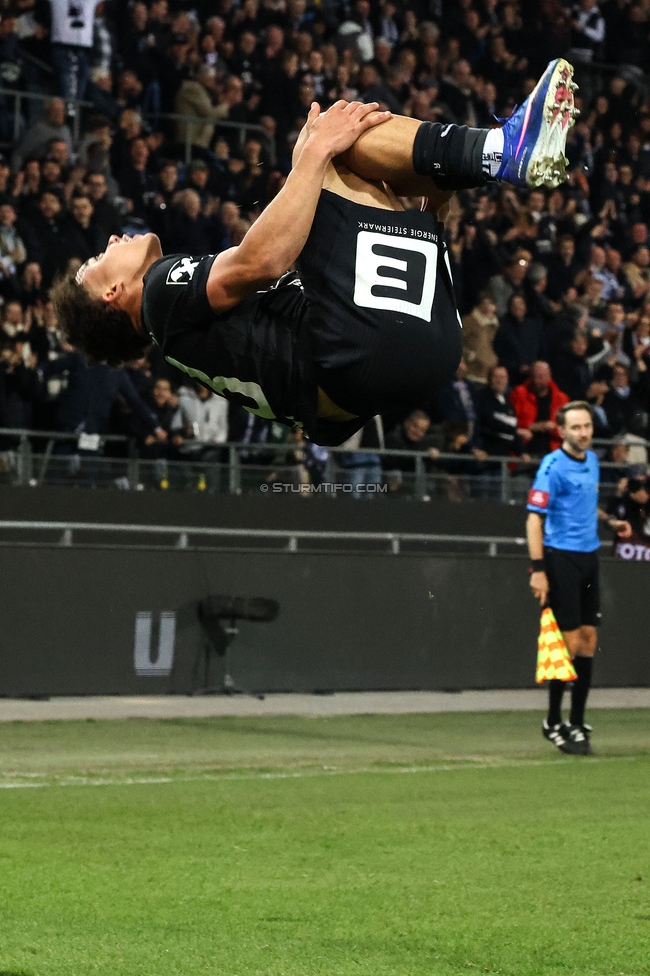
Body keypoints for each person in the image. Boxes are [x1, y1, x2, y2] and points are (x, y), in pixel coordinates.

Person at [53, 59, 579, 447]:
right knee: (323, 142)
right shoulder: (158, 293)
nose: (112, 242)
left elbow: (317, 410)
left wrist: (427, 198)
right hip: (358, 349)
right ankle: (498, 149)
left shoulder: (186, 337)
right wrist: (315, 151)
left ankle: (486, 158)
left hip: (423, 360)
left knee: (387, 174)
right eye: (97, 261)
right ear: (113, 294)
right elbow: (262, 261)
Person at [526, 400, 631, 756]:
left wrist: (609, 521)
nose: (584, 432)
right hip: (561, 559)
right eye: (576, 427)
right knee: (567, 643)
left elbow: (584, 502)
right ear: (561, 431)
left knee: (588, 639)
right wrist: (538, 570)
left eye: (587, 426)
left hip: (589, 557)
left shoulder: (593, 461)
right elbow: (534, 519)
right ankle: (553, 722)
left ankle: (577, 720)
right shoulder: (552, 466)